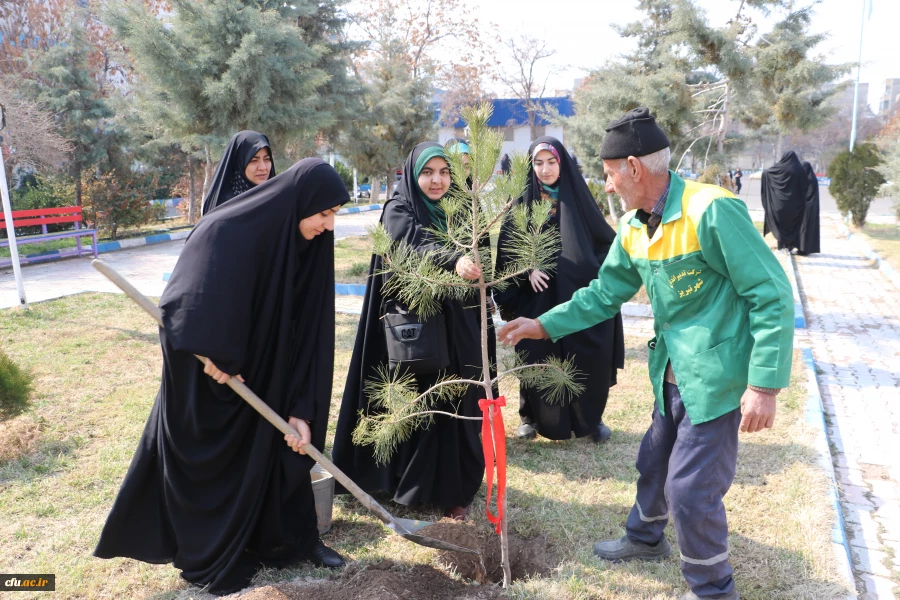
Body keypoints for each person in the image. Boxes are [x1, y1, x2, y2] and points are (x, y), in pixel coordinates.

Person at [497, 107, 794, 600]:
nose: (606, 185)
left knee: (691, 490)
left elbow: (771, 294)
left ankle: (713, 589)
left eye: (610, 174)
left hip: (715, 377)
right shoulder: (635, 227)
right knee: (653, 461)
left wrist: (763, 385)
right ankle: (645, 537)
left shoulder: (710, 211)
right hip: (670, 372)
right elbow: (603, 294)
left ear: (633, 168)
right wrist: (543, 325)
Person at [94, 159, 351, 596]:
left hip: (273, 378)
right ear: (300, 203)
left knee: (278, 456)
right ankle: (213, 554)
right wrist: (214, 350)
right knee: (215, 464)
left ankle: (293, 540)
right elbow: (185, 301)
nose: (329, 225)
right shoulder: (226, 229)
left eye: (335, 215)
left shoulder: (311, 247)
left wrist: (301, 407)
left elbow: (311, 332)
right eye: (324, 213)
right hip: (215, 381)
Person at [332, 142, 489, 520]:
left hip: (458, 325)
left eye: (445, 172)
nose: (437, 181)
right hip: (412, 330)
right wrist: (454, 260)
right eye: (428, 172)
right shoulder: (397, 209)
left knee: (456, 402)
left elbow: (481, 251)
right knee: (415, 402)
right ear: (412, 174)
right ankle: (402, 481)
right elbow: (413, 244)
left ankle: (454, 489)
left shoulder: (462, 209)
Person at [494, 136, 624, 443]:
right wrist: (528, 266)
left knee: (586, 354)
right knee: (536, 354)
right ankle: (530, 416)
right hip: (537, 296)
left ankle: (591, 419)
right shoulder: (523, 201)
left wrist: (592, 273)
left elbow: (604, 241)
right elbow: (507, 247)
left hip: (577, 292)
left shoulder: (577, 197)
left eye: (551, 162)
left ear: (562, 163)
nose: (545, 169)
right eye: (538, 163)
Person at [201, 130, 275, 215]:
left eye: (267, 159)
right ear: (239, 164)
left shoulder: (276, 201)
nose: (263, 168)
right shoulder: (225, 208)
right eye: (253, 160)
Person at [760, 151, 819, 255]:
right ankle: (791, 247)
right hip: (796, 206)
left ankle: (784, 247)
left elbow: (767, 173)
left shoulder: (779, 169)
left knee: (781, 225)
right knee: (793, 227)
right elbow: (804, 187)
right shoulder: (799, 170)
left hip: (779, 204)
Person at [799, 161, 821, 255]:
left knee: (803, 228)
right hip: (812, 208)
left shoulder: (806, 179)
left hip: (805, 208)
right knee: (808, 229)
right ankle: (806, 249)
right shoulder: (813, 179)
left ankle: (802, 249)